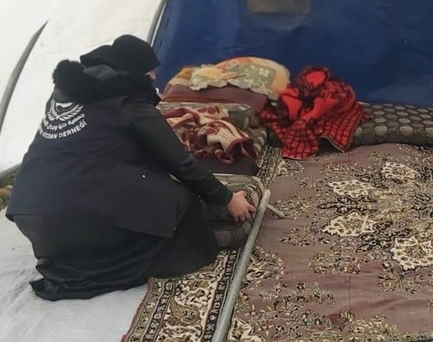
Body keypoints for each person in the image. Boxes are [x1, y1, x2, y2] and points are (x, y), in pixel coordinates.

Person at [6, 35, 256, 301]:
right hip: (79, 215)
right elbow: (178, 160)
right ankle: (129, 259)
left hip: (31, 215)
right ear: (141, 71)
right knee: (178, 201)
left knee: (124, 181)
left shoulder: (64, 91)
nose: (154, 78)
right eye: (152, 72)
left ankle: (78, 258)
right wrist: (225, 197)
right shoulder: (129, 99)